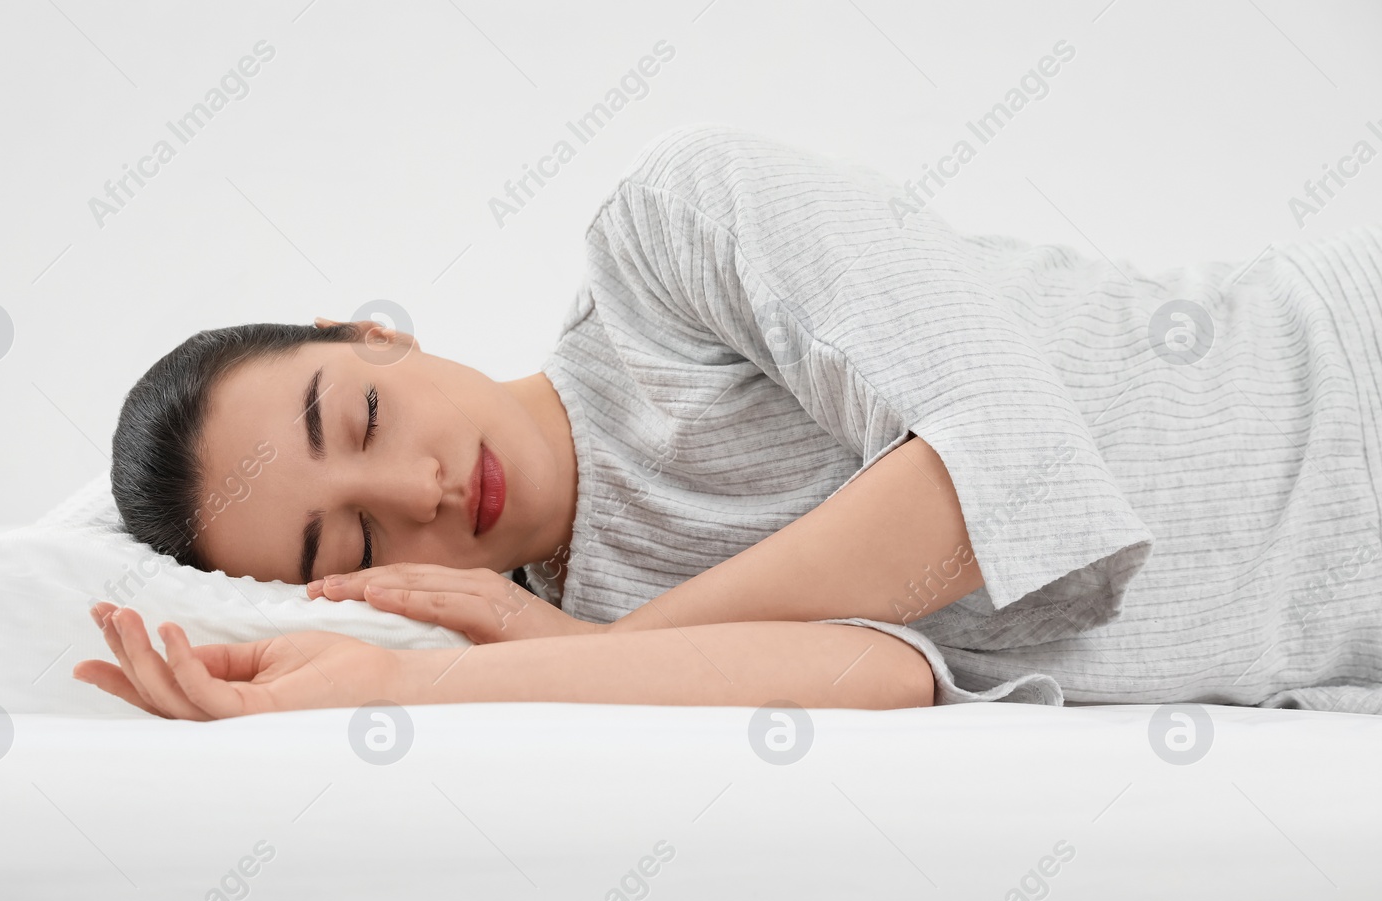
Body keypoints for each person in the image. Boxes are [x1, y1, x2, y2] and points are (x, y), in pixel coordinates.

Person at [74, 123, 1382, 720]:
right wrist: (444, 676)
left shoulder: (674, 236)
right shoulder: (564, 644)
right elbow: (888, 674)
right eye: (350, 545)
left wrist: (588, 652)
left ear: (379, 337)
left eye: (357, 416)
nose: (413, 490)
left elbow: (999, 476)